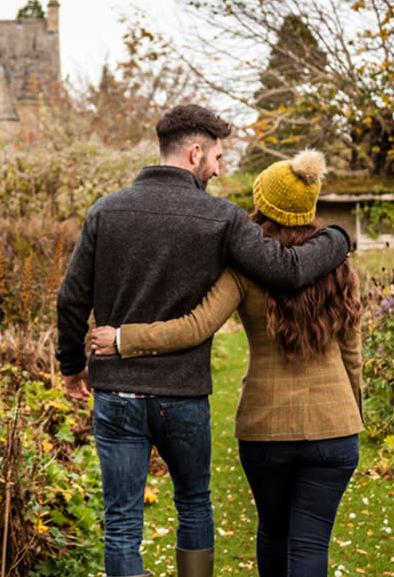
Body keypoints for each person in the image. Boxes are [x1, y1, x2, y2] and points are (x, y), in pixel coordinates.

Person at [56, 105, 353, 577]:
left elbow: (72, 299)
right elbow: (288, 270)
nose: (218, 167)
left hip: (116, 391)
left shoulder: (105, 210)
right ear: (195, 152)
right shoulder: (222, 218)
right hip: (182, 394)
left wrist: (72, 365)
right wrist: (339, 237)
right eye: (216, 156)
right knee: (193, 504)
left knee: (122, 522)